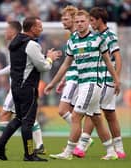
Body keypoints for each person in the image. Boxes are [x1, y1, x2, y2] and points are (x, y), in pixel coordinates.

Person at [45, 9, 120, 160]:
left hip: (93, 84)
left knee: (75, 117)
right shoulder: (72, 41)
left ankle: (68, 152)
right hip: (83, 83)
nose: (79, 24)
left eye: (82, 21)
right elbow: (66, 65)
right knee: (97, 119)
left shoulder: (98, 39)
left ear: (88, 22)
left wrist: (116, 80)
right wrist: (52, 83)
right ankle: (111, 152)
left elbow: (107, 61)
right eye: (77, 22)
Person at [0, 17, 61, 162]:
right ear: (32, 28)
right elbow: (44, 67)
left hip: (16, 87)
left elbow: (23, 65)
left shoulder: (15, 42)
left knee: (18, 119)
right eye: (39, 26)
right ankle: (29, 155)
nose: (41, 28)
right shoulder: (32, 45)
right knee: (28, 122)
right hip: (27, 88)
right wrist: (50, 58)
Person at [55, 5, 94, 153]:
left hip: (81, 79)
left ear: (73, 20)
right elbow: (72, 62)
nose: (63, 22)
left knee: (65, 110)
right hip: (74, 77)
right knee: (75, 112)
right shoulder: (73, 38)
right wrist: (64, 79)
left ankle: (84, 139)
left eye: (66, 19)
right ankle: (78, 142)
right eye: (62, 19)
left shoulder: (81, 37)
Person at [88, 7, 125, 159]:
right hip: (101, 78)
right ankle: (119, 149)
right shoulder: (97, 35)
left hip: (106, 78)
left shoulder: (109, 36)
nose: (91, 23)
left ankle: (81, 145)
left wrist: (116, 79)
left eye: (92, 20)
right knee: (109, 114)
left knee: (94, 111)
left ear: (99, 20)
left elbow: (118, 58)